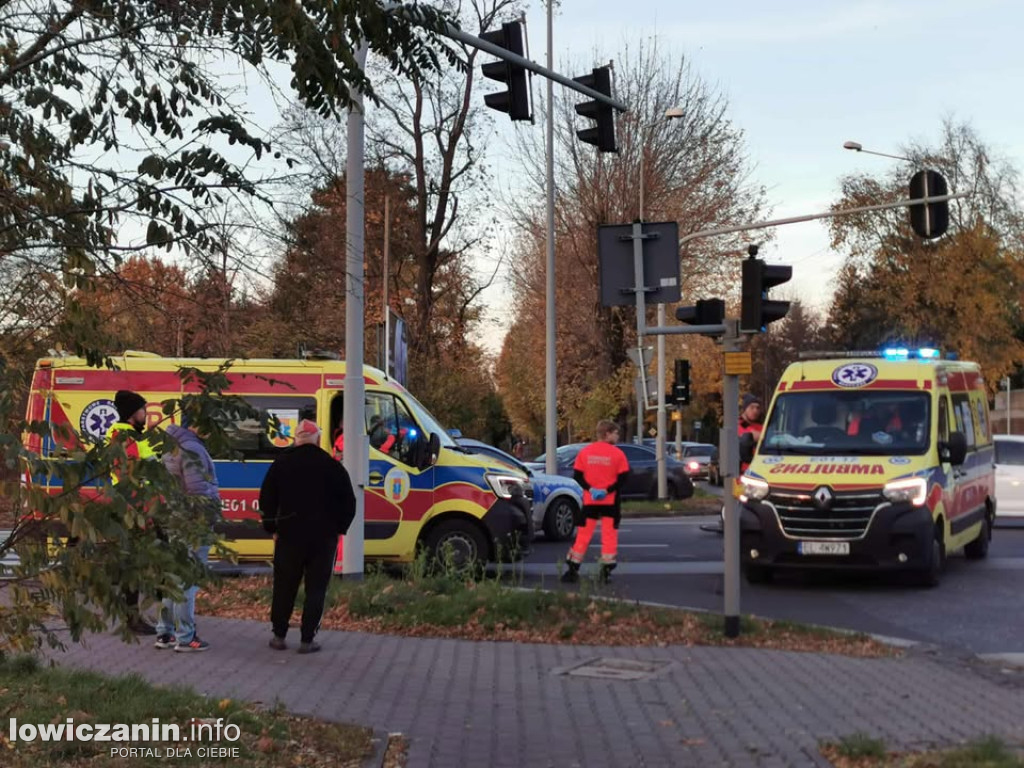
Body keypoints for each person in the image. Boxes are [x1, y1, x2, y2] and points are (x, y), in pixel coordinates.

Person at [260, 419, 356, 654]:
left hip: (289, 536)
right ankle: (307, 639)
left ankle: (279, 636)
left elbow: (267, 499)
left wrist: (272, 528)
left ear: (296, 438)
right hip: (323, 539)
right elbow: (349, 502)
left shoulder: (281, 464)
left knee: (284, 586)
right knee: (316, 589)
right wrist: (339, 528)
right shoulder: (333, 466)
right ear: (318, 439)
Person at [154, 416, 220, 653]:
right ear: (196, 424)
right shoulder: (192, 448)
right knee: (188, 581)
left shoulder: (172, 446)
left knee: (173, 578)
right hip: (193, 523)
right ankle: (186, 637)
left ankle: (165, 632)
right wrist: (207, 517)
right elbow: (197, 490)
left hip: (175, 518)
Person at [106, 389, 159, 635]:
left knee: (140, 561)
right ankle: (133, 618)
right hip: (134, 506)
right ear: (131, 414)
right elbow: (128, 477)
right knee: (133, 564)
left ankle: (147, 614)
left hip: (141, 505)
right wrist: (143, 510)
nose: (145, 414)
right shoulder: (124, 438)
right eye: (142, 410)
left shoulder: (133, 436)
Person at [561, 420, 631, 585]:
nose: (617, 436)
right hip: (610, 502)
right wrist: (607, 490)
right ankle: (605, 573)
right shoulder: (617, 454)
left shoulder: (585, 452)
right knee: (609, 537)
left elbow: (577, 476)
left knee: (583, 536)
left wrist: (591, 489)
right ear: (607, 433)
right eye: (616, 433)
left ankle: (572, 570)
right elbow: (623, 478)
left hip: (590, 501)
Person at [738, 393, 764, 474]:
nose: (755, 410)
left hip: (759, 469)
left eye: (758, 408)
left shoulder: (760, 426)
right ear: (745, 409)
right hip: (743, 472)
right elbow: (752, 435)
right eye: (752, 407)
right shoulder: (739, 424)